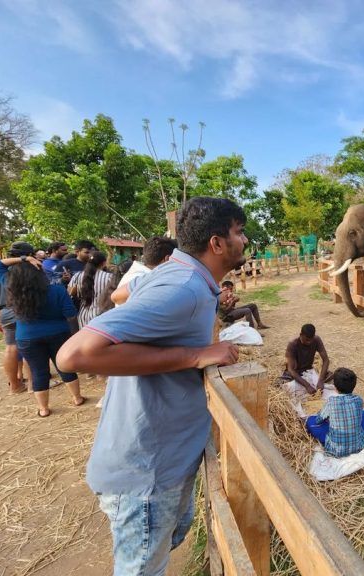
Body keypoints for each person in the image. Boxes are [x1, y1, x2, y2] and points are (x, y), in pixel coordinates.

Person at [56, 197, 245, 575]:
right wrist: (193, 356)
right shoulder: (183, 287)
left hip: (160, 460)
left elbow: (121, 295)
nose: (245, 240)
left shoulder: (173, 273)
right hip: (146, 473)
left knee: (167, 541)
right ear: (217, 244)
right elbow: (71, 356)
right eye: (239, 232)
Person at [7, 261, 83, 416]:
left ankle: (43, 408)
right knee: (64, 366)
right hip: (59, 334)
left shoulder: (14, 296)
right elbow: (70, 313)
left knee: (38, 372)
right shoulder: (57, 290)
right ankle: (77, 398)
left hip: (27, 337)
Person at [0, 242, 43, 393]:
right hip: (23, 309)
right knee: (29, 346)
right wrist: (27, 259)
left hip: (5, 311)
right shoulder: (30, 269)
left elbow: (0, 262)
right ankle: (32, 384)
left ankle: (15, 386)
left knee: (11, 348)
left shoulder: (1, 271)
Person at [305, 367, 364, 458]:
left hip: (335, 450)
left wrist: (328, 420)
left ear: (335, 387)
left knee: (310, 421)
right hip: (359, 446)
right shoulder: (359, 400)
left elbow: (318, 420)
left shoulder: (331, 401)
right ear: (354, 385)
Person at [280, 324, 333, 412]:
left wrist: (320, 380)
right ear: (301, 335)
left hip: (309, 371)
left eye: (311, 340)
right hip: (295, 374)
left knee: (327, 381)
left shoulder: (316, 340)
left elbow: (326, 360)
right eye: (307, 340)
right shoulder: (292, 344)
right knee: (284, 389)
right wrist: (307, 385)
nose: (309, 342)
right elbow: (291, 370)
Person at [69, 251, 112, 327]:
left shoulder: (77, 276)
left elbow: (70, 293)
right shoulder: (109, 277)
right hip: (103, 316)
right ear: (104, 263)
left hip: (82, 317)